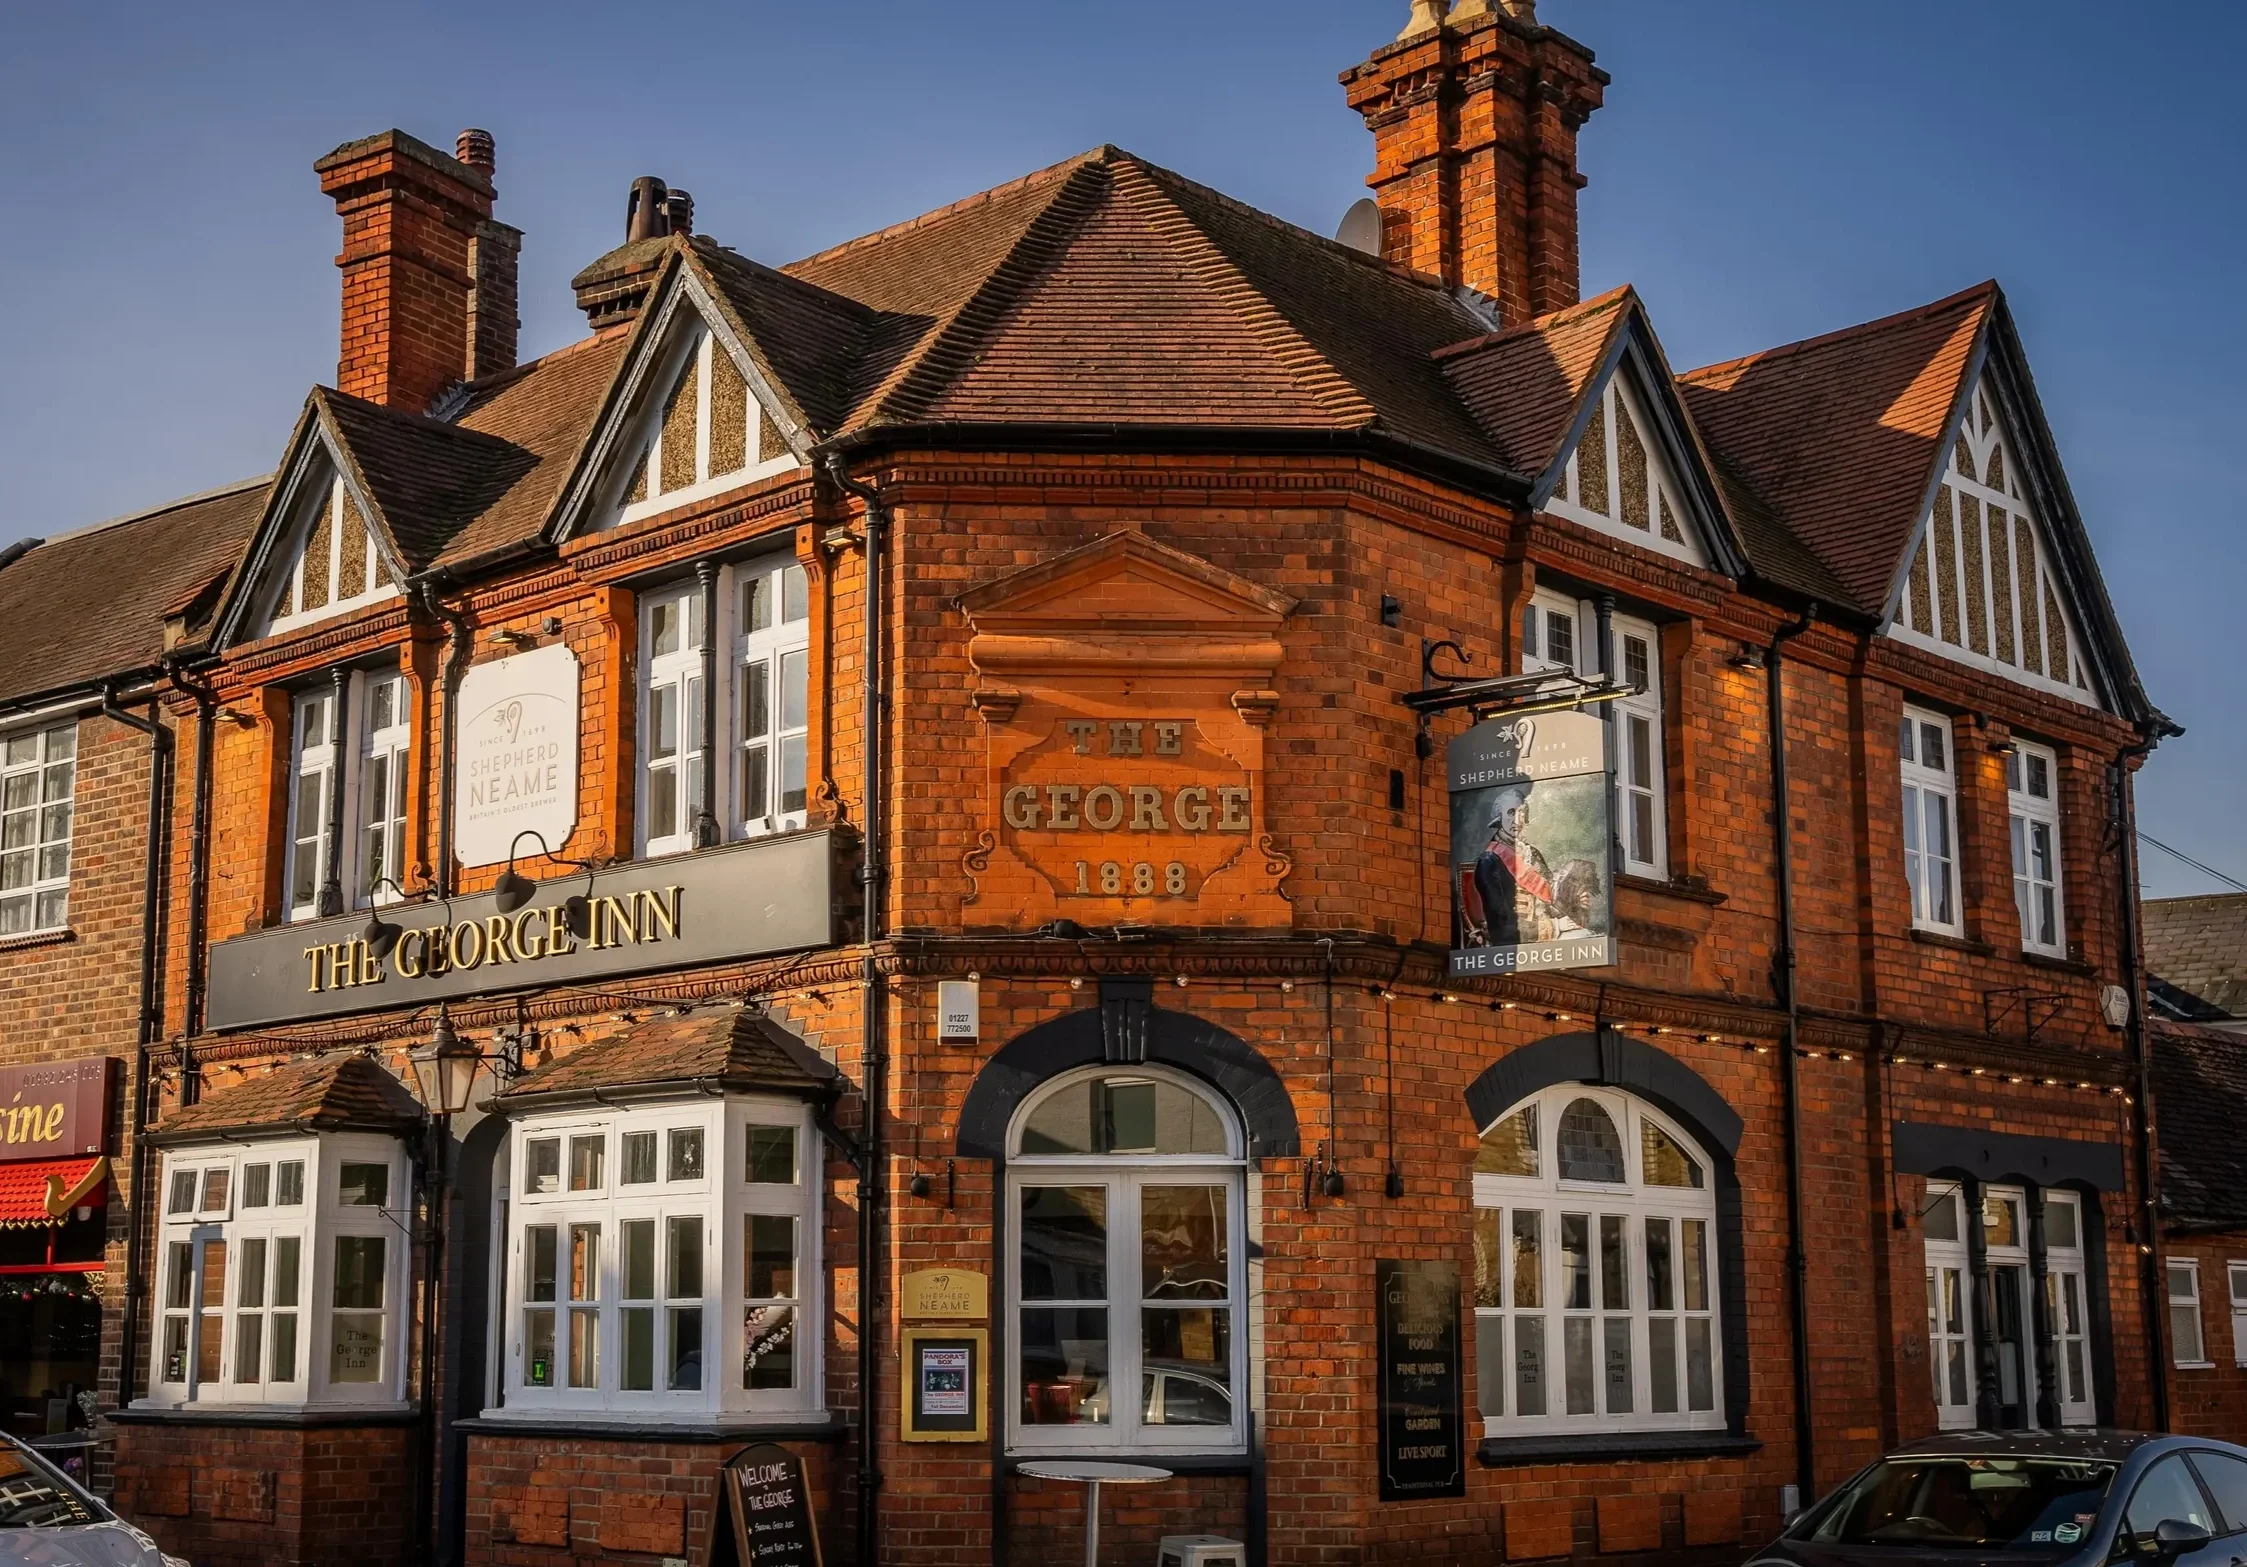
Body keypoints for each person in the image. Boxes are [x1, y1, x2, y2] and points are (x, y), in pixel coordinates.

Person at [1472, 783, 1557, 946]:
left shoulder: (1533, 854)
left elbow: (1551, 901)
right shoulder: (1488, 862)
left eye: (1522, 813)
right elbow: (1502, 927)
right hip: (1515, 944)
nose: (1517, 820)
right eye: (1511, 813)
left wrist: (1575, 902)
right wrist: (1556, 927)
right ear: (1499, 818)